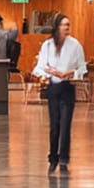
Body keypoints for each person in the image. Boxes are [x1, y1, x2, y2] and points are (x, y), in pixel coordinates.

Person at [33, 13, 87, 174]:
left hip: (67, 87)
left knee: (65, 124)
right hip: (53, 88)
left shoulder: (75, 45)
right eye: (64, 25)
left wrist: (70, 73)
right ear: (57, 27)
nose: (67, 28)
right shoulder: (48, 45)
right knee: (54, 125)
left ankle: (63, 159)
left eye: (68, 25)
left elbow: (82, 68)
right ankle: (53, 158)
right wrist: (49, 73)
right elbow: (39, 67)